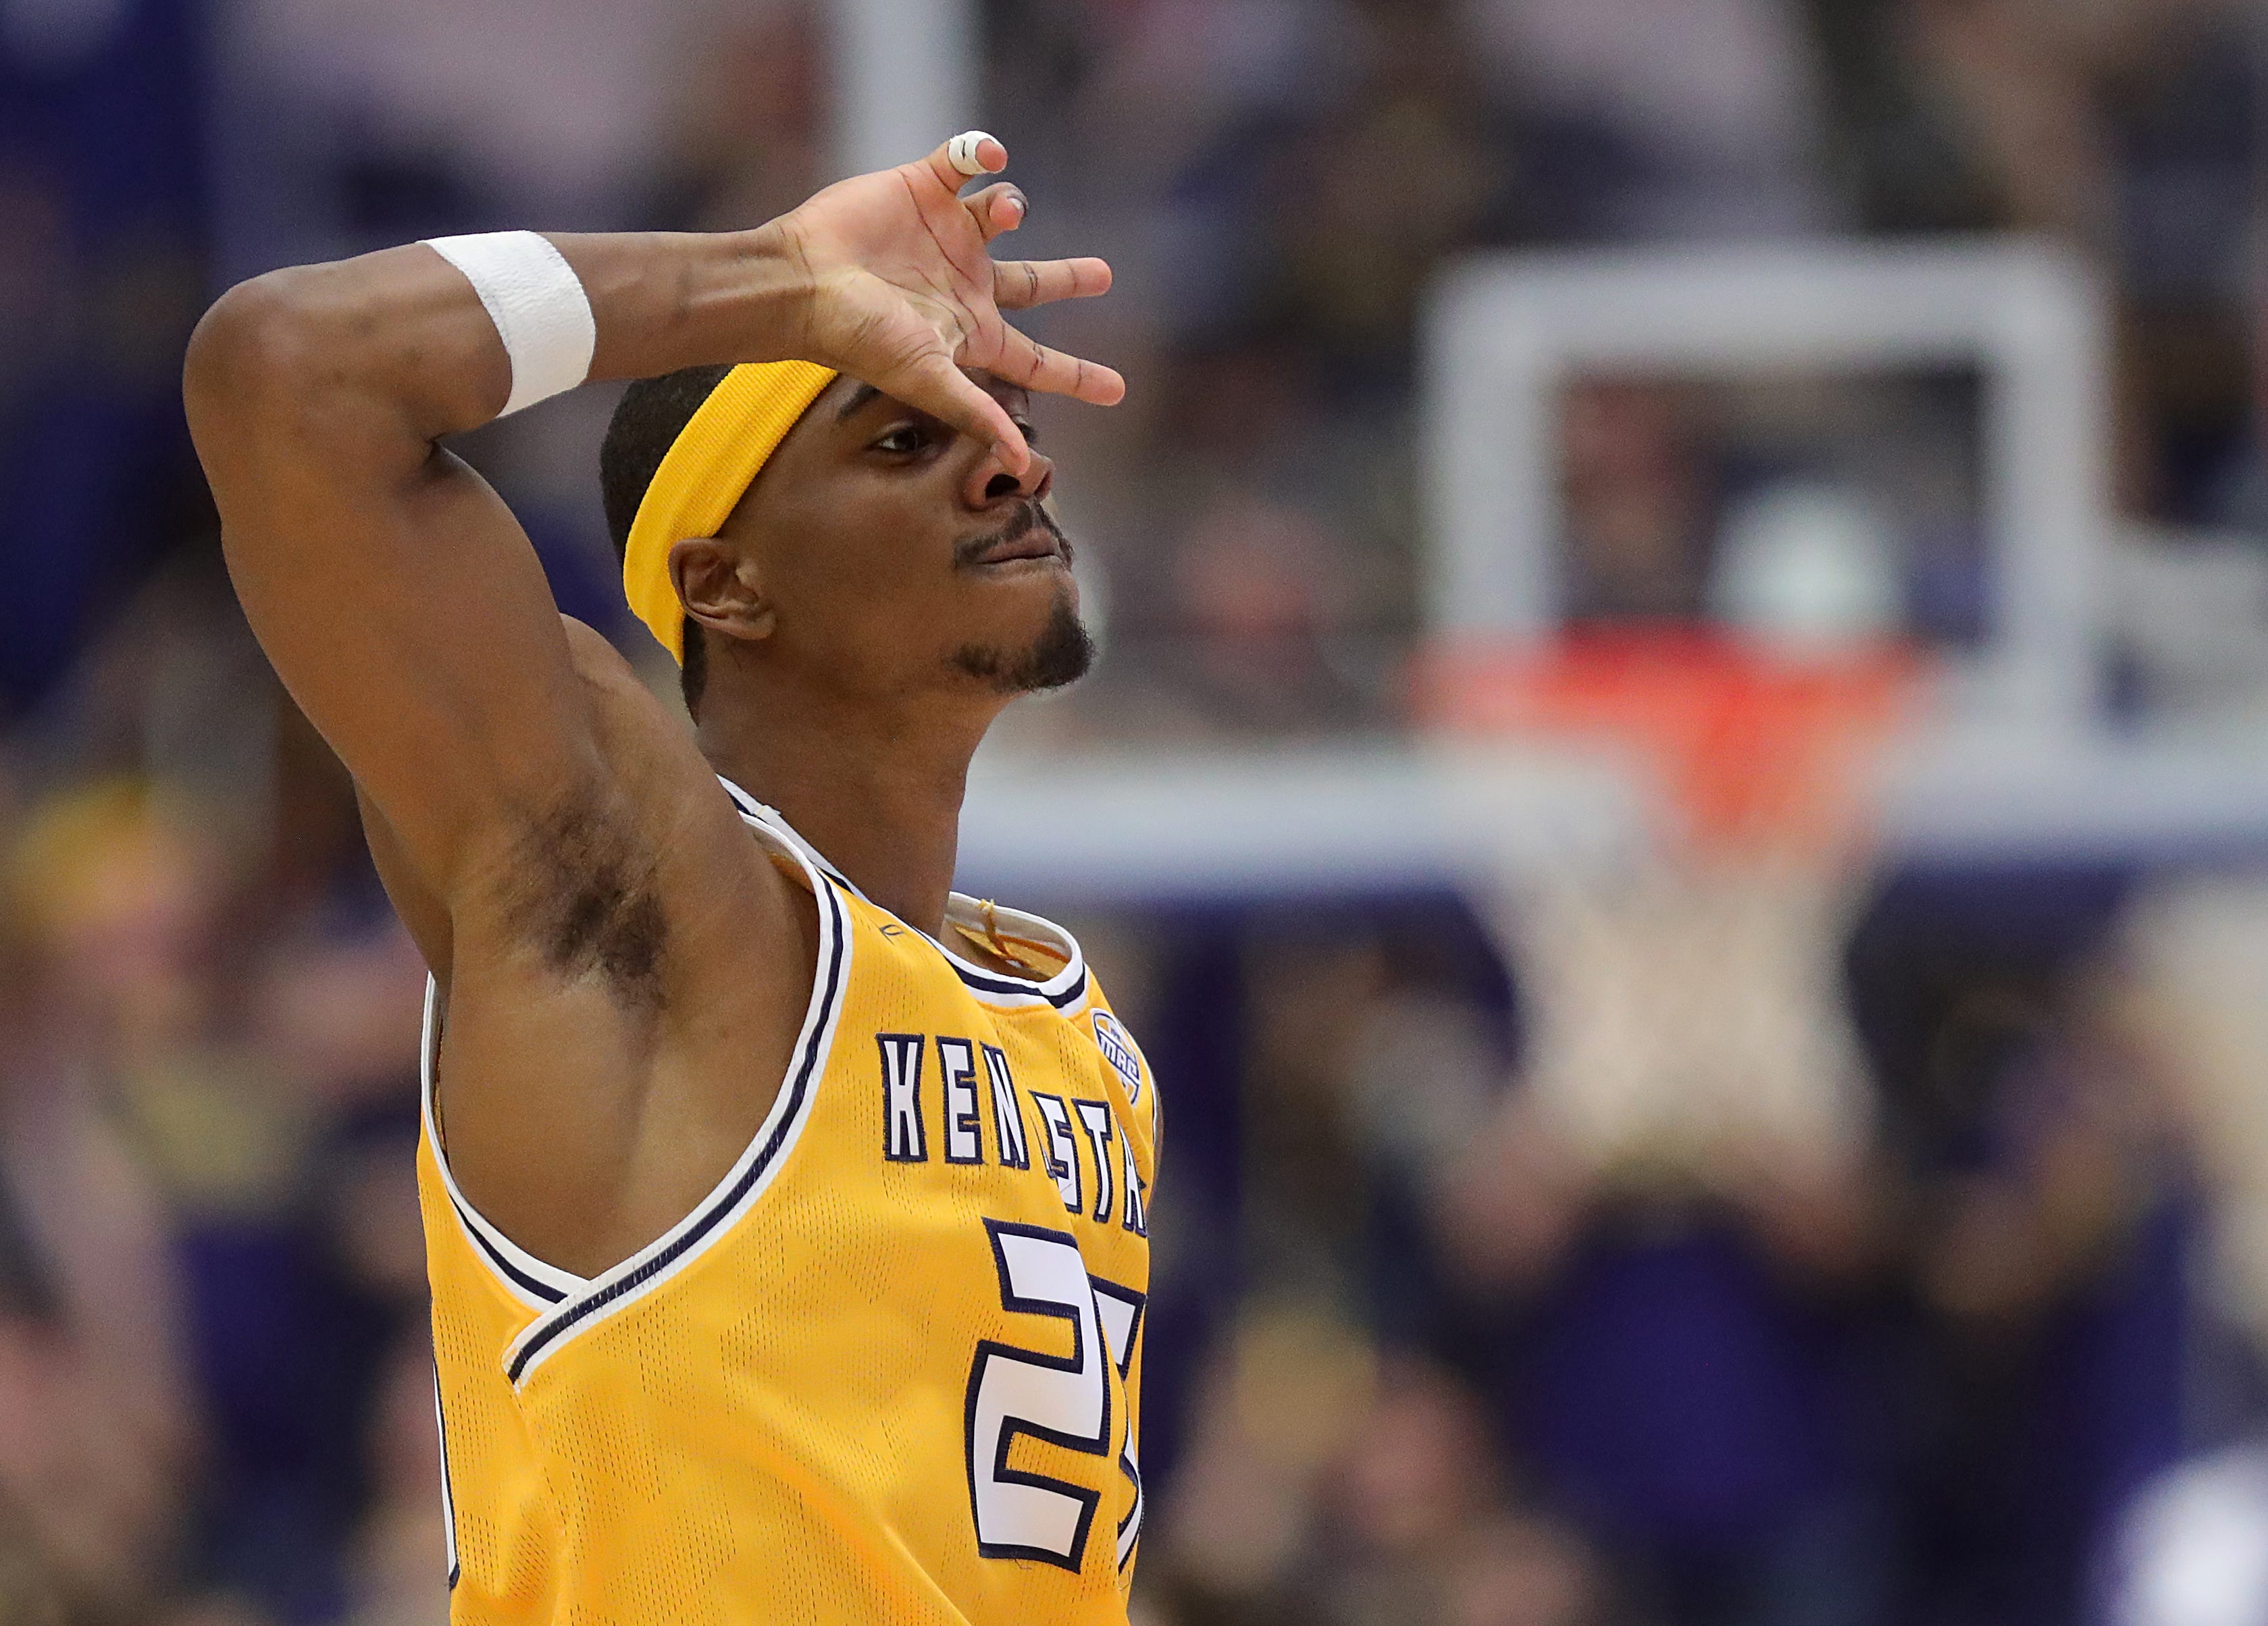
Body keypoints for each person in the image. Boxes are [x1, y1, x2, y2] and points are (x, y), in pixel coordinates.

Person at [183, 132, 1158, 1623]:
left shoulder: (1079, 1039)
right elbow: (289, 370)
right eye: (903, 439)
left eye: (1001, 417)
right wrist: (777, 284)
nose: (1009, 459)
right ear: (725, 581)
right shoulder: (637, 888)